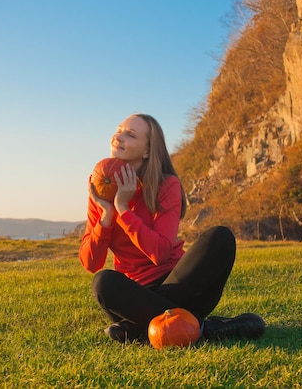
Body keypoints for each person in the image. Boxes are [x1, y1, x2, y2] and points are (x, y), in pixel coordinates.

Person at [79, 114, 265, 343]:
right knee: (103, 282)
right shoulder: (101, 187)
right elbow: (91, 263)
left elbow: (160, 253)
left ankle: (141, 328)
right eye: (119, 130)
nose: (118, 136)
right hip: (136, 294)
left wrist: (124, 210)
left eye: (130, 134)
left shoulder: (166, 185)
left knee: (221, 237)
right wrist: (107, 215)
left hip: (180, 283)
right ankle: (201, 328)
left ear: (147, 151)